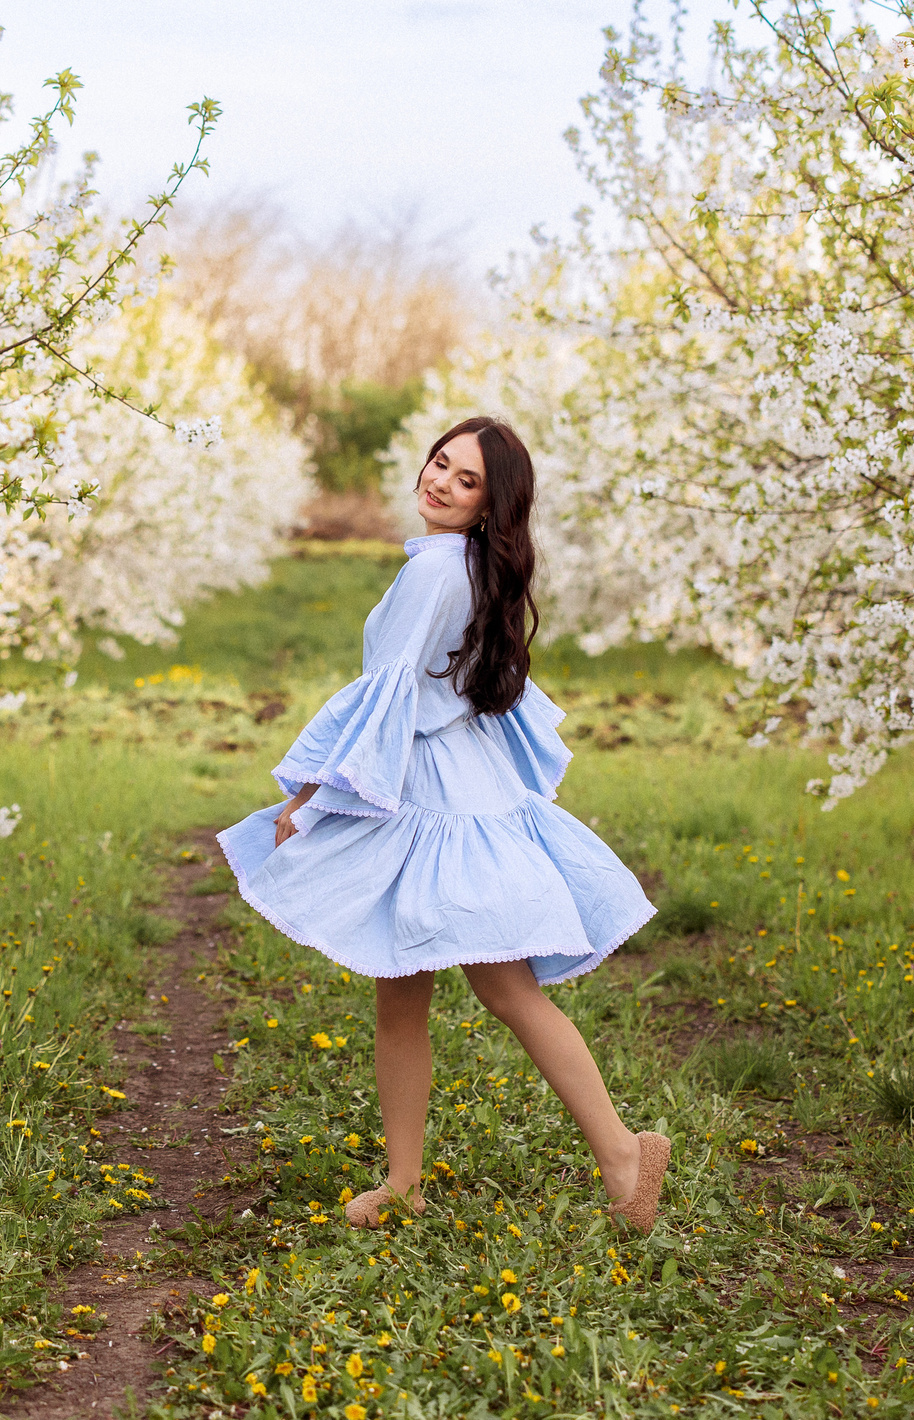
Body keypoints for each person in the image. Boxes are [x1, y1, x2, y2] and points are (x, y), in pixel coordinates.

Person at [216, 417, 667, 1231]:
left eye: (466, 483)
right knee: (405, 992)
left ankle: (623, 1153)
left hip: (435, 798)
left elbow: (384, 694)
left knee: (506, 988)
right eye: (441, 463)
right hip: (437, 785)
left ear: (491, 509)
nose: (440, 482)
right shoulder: (459, 567)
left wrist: (308, 794)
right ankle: (405, 1181)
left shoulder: (436, 576)